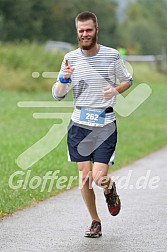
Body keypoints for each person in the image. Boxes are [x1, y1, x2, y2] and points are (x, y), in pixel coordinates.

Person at [52, 11, 132, 238]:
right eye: (81, 31)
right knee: (85, 177)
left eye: (89, 30)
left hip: (105, 123)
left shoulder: (112, 56)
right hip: (79, 124)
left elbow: (128, 80)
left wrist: (116, 90)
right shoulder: (70, 58)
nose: (85, 34)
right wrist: (63, 80)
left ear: (96, 29)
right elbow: (58, 95)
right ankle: (95, 221)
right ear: (77, 33)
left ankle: (109, 189)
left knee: (99, 177)